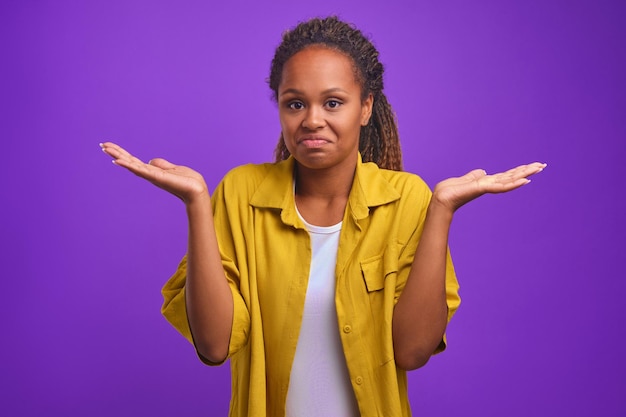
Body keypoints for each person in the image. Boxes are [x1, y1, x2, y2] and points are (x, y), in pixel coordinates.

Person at [100, 16, 545, 417]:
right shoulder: (240, 192)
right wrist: (197, 202)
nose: (312, 120)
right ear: (279, 107)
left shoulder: (409, 199)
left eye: (333, 102)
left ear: (365, 107)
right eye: (295, 104)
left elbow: (411, 351)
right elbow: (215, 346)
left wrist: (442, 209)